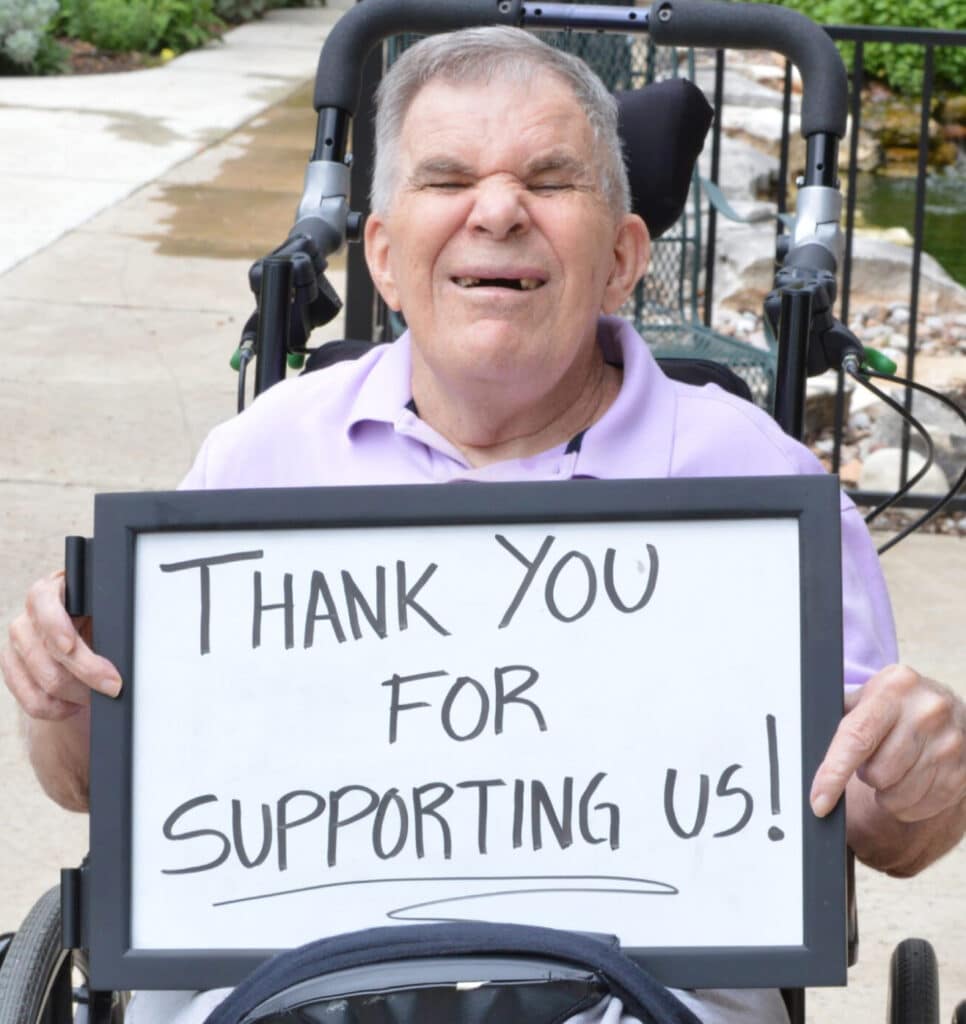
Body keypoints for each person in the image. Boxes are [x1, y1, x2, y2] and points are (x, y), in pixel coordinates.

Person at [3, 25, 964, 1024]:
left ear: (624, 257)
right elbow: (90, 788)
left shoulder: (758, 482)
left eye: (549, 180)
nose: (498, 210)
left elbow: (880, 828)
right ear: (381, 254)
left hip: (648, 981)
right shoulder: (257, 460)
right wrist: (62, 701)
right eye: (447, 177)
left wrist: (918, 785)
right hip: (283, 975)